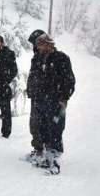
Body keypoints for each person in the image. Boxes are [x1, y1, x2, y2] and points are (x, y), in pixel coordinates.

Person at [31, 33, 75, 173]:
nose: (39, 48)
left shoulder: (61, 58)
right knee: (41, 126)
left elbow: (69, 80)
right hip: (40, 99)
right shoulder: (37, 58)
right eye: (38, 45)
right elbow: (33, 76)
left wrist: (64, 97)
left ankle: (54, 158)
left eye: (41, 45)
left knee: (56, 127)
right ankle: (45, 153)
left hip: (56, 100)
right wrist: (32, 91)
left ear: (49, 44)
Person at [25, 29, 46, 161]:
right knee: (34, 124)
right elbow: (33, 76)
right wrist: (30, 89)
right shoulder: (37, 57)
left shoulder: (48, 57)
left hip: (46, 98)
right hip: (36, 96)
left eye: (35, 43)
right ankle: (38, 148)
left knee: (44, 124)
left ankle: (46, 152)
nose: (34, 46)